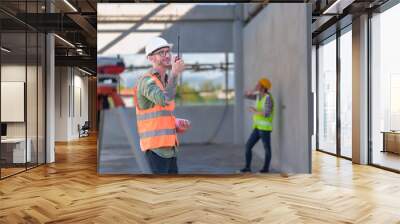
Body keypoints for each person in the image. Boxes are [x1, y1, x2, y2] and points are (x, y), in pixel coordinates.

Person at [134, 37, 190, 174]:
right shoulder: (146, 81)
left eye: (167, 52)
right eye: (161, 53)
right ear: (151, 58)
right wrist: (175, 73)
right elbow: (164, 99)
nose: (166, 56)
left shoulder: (165, 81)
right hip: (156, 150)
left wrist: (175, 122)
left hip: (170, 149)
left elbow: (161, 111)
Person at [240, 78, 274, 173]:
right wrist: (252, 90)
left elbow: (267, 113)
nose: (257, 85)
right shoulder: (259, 96)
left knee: (267, 149)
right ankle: (247, 167)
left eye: (258, 84)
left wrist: (254, 111)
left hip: (265, 128)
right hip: (257, 127)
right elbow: (245, 95)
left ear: (263, 87)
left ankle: (265, 168)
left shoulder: (268, 98)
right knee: (248, 146)